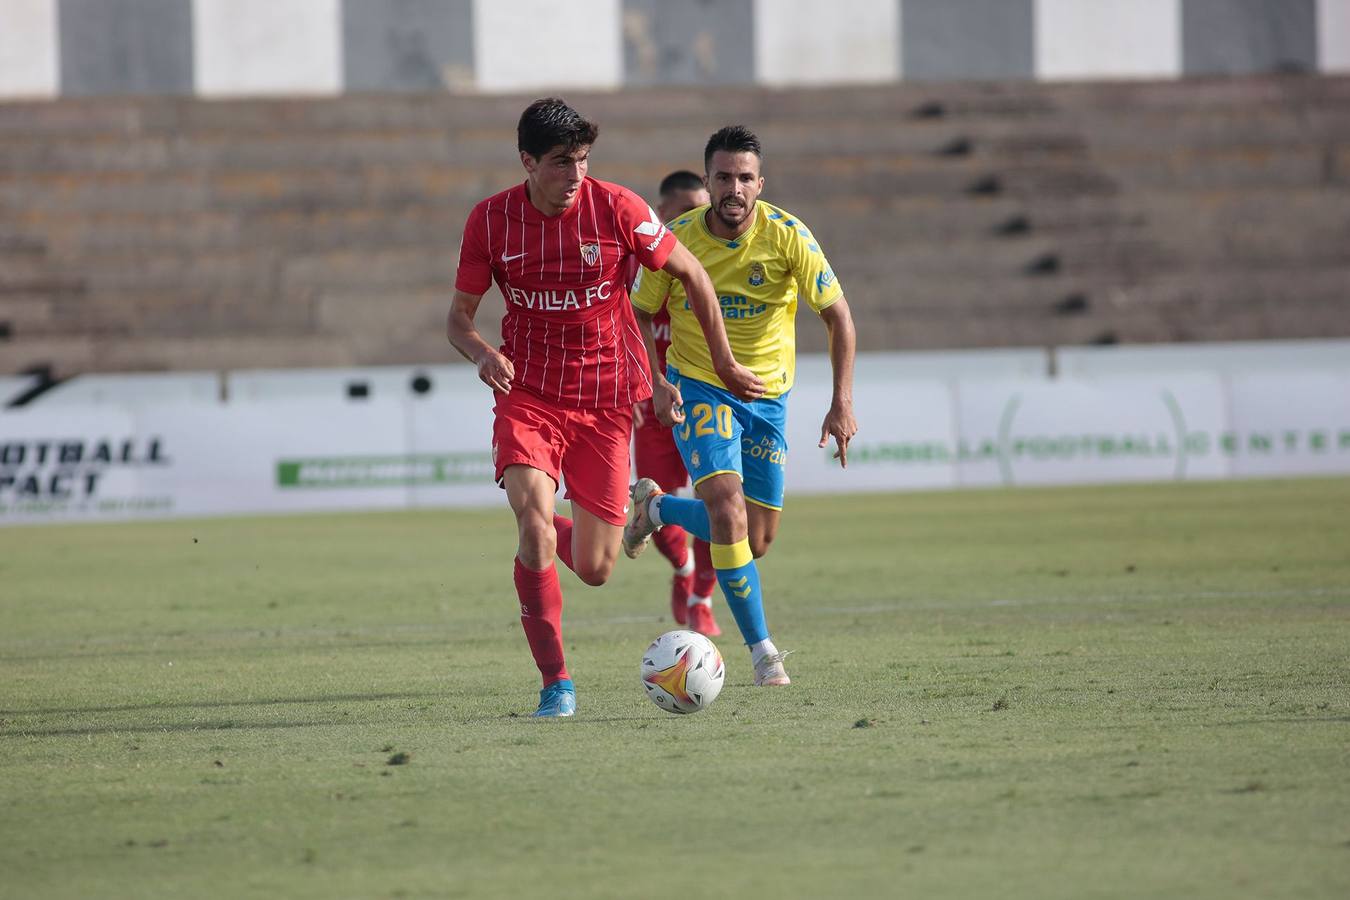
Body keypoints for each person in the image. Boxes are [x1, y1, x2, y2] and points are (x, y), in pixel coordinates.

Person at [447, 99, 762, 718]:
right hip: (529, 395)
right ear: (528, 162)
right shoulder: (491, 221)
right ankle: (556, 683)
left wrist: (723, 365)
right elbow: (458, 320)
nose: (575, 175)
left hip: (606, 400)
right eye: (562, 163)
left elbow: (694, 276)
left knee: (594, 568)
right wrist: (482, 352)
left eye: (583, 161)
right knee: (533, 521)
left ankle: (612, 521)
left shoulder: (618, 207)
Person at [626, 125, 858, 687]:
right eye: (724, 177)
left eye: (745, 178)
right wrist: (654, 380)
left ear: (761, 183)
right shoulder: (675, 239)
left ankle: (656, 510)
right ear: (707, 181)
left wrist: (840, 401)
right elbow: (634, 313)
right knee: (726, 508)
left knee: (755, 539)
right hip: (700, 385)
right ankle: (763, 652)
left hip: (768, 397)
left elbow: (838, 317)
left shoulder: (788, 236)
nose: (735, 188)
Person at [631, 171, 720, 636]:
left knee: (715, 499)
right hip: (650, 406)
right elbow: (620, 328)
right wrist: (637, 387)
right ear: (660, 213)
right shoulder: (636, 262)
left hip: (702, 398)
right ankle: (683, 569)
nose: (694, 219)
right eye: (684, 210)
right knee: (651, 503)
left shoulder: (713, 260)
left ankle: (702, 598)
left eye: (700, 209)